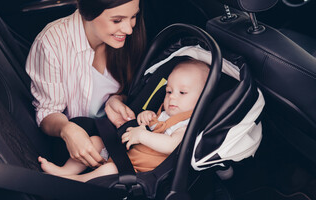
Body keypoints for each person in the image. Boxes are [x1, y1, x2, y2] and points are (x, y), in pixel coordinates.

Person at [25, 0, 146, 168]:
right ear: (89, 11)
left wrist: (116, 99)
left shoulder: (129, 38)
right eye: (117, 20)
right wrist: (67, 129)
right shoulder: (51, 44)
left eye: (133, 17)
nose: (128, 29)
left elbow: (135, 88)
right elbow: (47, 112)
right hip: (78, 150)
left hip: (118, 137)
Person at [38, 59, 210, 182]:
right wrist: (147, 117)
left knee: (111, 169)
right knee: (96, 142)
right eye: (169, 91)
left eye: (182, 93)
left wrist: (142, 136)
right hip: (124, 153)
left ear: (203, 98)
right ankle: (65, 171)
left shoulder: (186, 124)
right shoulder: (165, 112)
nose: (172, 98)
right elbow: (152, 125)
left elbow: (171, 144)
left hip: (138, 170)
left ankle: (78, 181)